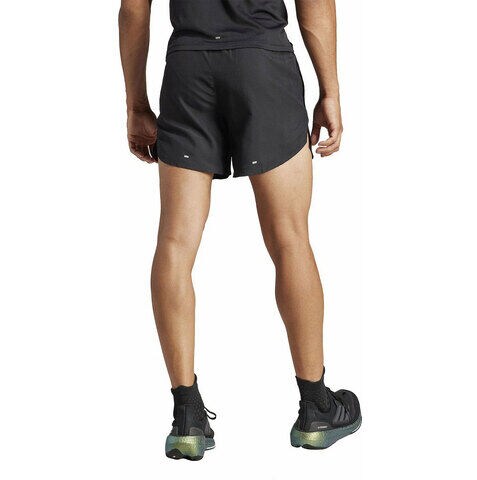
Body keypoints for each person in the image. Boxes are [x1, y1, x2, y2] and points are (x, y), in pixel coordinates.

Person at [119, 0, 361, 460]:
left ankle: (187, 416)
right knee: (290, 239)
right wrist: (330, 90)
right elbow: (316, 6)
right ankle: (317, 408)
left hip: (188, 69)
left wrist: (136, 104)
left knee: (175, 243)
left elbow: (134, 10)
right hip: (263, 64)